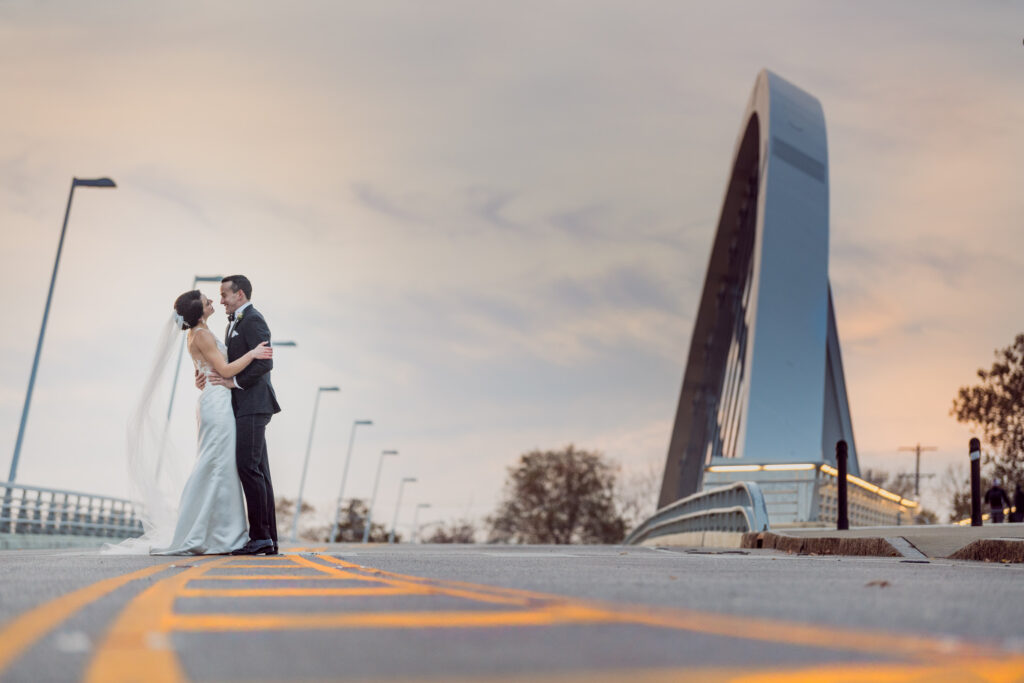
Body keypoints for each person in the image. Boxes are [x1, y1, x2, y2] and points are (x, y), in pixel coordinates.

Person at [150, 290, 273, 554]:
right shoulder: (202, 334)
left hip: (215, 400)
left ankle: (217, 532)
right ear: (199, 311)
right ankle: (217, 534)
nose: (212, 302)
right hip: (217, 405)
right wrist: (253, 354)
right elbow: (226, 370)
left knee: (219, 465)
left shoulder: (197, 334)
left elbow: (207, 369)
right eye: (207, 301)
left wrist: (205, 379)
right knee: (216, 465)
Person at [197, 275, 282, 555]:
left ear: (240, 294)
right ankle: (267, 538)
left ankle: (260, 538)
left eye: (225, 295)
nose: (220, 300)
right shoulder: (235, 322)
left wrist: (234, 383)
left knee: (248, 467)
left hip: (254, 404)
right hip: (244, 406)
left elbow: (265, 363)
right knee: (259, 471)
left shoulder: (254, 319)